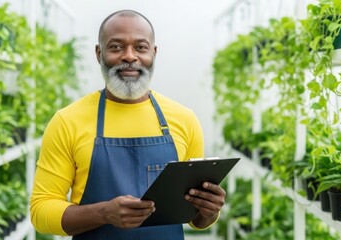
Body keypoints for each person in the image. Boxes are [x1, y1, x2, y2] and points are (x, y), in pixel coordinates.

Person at [30, 9, 226, 240]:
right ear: (98, 53)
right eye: (116, 47)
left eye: (141, 47)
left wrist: (209, 211)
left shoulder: (184, 119)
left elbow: (196, 218)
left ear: (154, 53)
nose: (130, 56)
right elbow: (41, 211)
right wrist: (103, 213)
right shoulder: (67, 121)